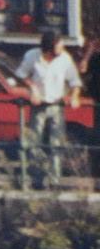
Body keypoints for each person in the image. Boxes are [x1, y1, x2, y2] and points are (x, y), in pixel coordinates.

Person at [14, 29, 81, 188]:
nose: (62, 48)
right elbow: (21, 74)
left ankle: (54, 181)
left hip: (57, 105)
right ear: (49, 48)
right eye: (59, 46)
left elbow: (75, 81)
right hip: (39, 105)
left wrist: (74, 96)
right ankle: (37, 178)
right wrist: (33, 88)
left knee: (56, 143)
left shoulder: (65, 58)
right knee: (33, 142)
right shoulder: (32, 56)